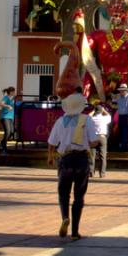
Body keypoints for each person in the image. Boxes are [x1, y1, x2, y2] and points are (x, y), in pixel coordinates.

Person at [47, 91, 98, 241]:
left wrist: (50, 157)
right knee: (79, 196)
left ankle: (64, 217)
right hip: (81, 159)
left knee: (63, 193)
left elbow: (52, 142)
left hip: (66, 159)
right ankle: (75, 232)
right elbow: (93, 141)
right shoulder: (86, 120)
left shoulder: (60, 121)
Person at [89, 101, 111, 178]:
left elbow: (88, 116)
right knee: (103, 156)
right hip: (102, 137)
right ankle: (102, 173)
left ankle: (91, 172)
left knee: (92, 156)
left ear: (95, 111)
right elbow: (109, 115)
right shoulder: (105, 118)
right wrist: (104, 110)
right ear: (101, 111)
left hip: (93, 137)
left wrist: (93, 111)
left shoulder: (91, 119)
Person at [115, 84, 128, 152]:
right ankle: (121, 147)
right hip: (120, 117)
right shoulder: (119, 98)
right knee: (120, 133)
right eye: (120, 91)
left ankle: (124, 148)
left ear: (125, 91)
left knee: (125, 133)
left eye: (122, 91)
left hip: (126, 116)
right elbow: (117, 105)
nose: (121, 92)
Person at [0, 86, 16, 154]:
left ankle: (2, 142)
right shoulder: (6, 97)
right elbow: (0, 104)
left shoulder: (14, 99)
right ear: (11, 92)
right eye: (14, 91)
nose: (14, 93)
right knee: (8, 131)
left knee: (11, 132)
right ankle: (3, 148)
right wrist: (8, 106)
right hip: (5, 116)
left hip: (11, 117)